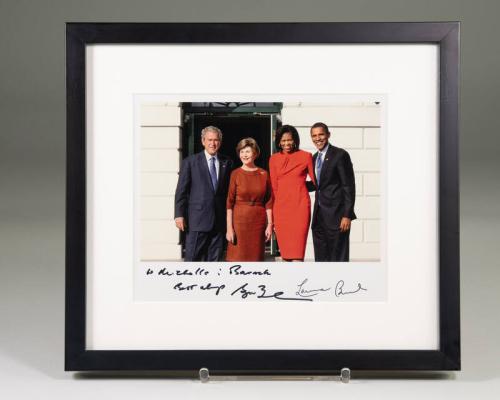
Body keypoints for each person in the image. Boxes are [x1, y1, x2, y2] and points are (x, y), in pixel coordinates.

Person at [174, 126, 233, 261]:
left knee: (215, 261)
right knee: (192, 259)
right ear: (203, 141)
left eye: (216, 140)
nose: (213, 143)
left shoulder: (227, 162)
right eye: (209, 140)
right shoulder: (190, 162)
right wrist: (179, 215)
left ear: (220, 142)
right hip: (197, 221)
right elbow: (181, 191)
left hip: (219, 221)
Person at [308, 122, 356, 261]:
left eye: (321, 134)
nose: (318, 138)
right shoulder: (314, 158)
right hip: (318, 218)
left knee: (338, 259)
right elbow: (317, 185)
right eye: (314, 136)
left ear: (328, 135)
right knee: (321, 259)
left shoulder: (340, 155)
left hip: (337, 217)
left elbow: (348, 186)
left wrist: (347, 215)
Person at [269, 125, 316, 261]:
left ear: (295, 140)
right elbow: (274, 188)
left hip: (300, 207)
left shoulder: (306, 156)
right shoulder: (273, 159)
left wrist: (300, 186)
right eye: (283, 141)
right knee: (285, 256)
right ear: (278, 142)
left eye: (289, 140)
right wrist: (272, 216)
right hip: (281, 210)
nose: (286, 143)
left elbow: (316, 182)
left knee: (297, 255)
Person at [226, 138, 273, 261]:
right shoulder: (235, 174)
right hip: (239, 224)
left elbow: (268, 201)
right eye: (241, 152)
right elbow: (229, 203)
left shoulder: (264, 174)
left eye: (247, 151)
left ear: (255, 153)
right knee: (237, 260)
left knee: (256, 260)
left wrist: (270, 225)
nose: (244, 155)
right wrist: (229, 228)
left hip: (258, 223)